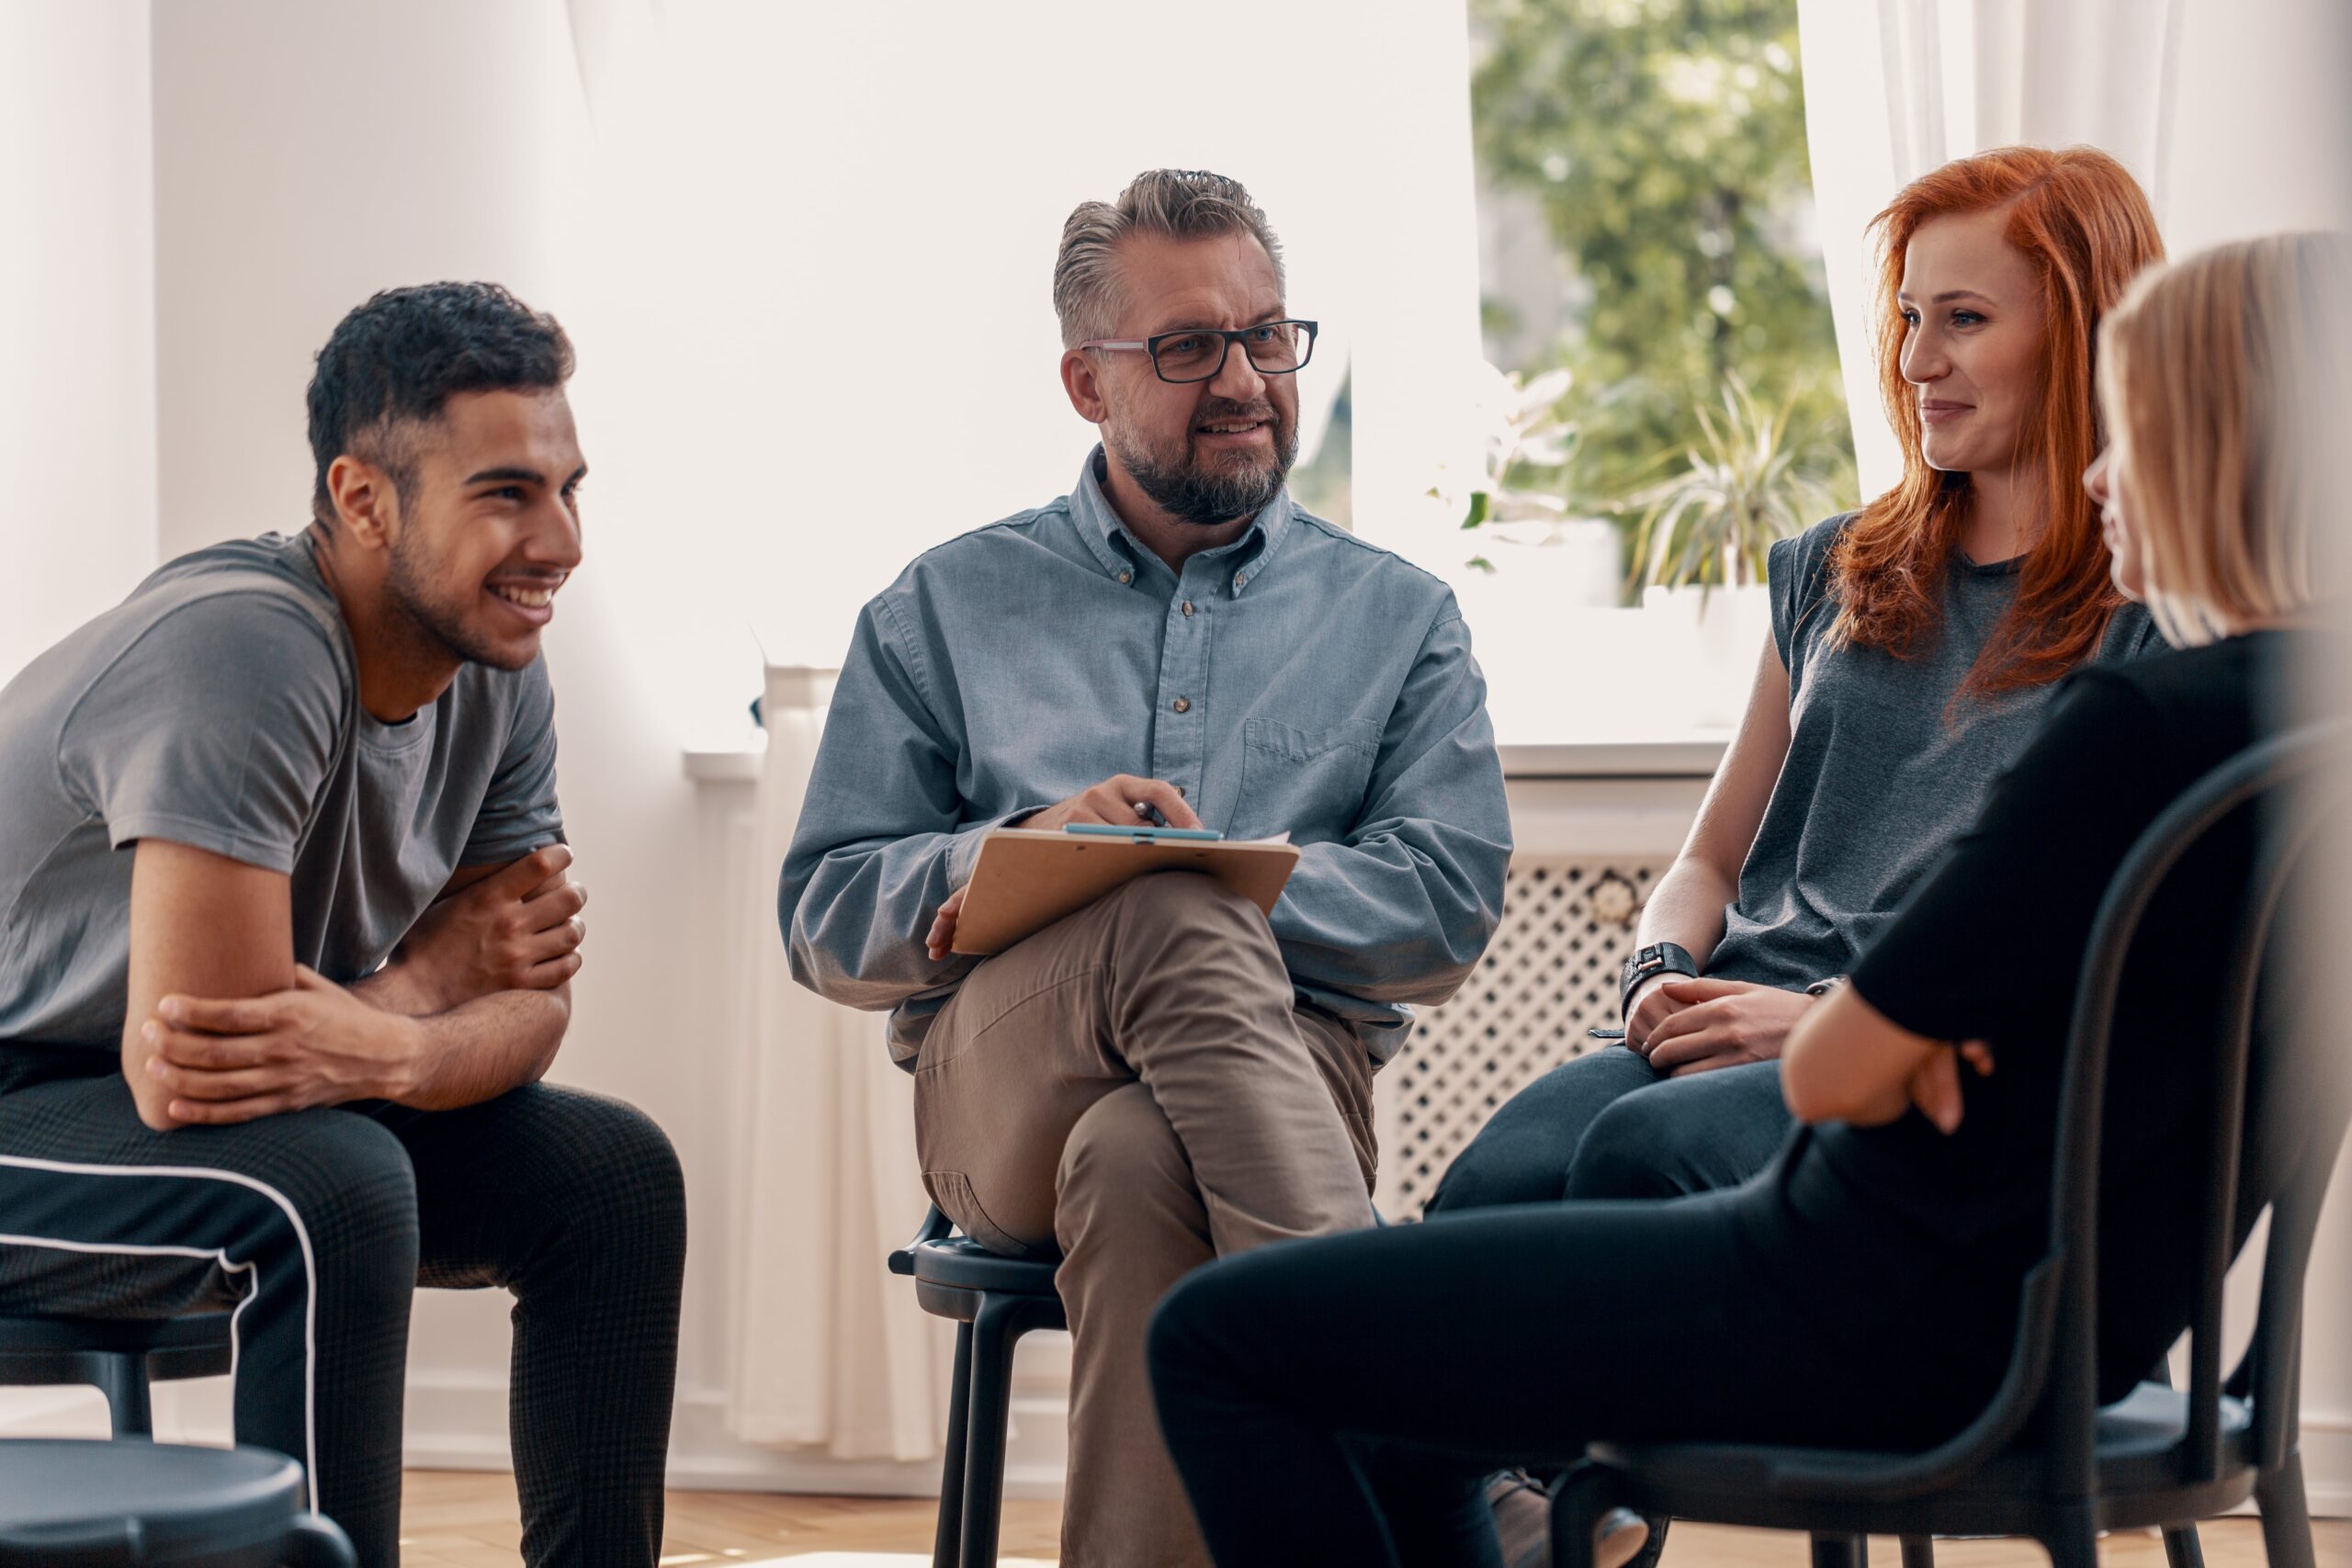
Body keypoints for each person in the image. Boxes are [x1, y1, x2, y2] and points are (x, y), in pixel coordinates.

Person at [1146, 228, 2346, 1568]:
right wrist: (1940, 1036)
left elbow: (1833, 1070)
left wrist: (1889, 1038)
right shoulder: (2301, 733)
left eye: (2139, 431)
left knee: (1216, 1337)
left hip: (1857, 1296)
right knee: (1412, 1392)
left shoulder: (2138, 724)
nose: (2105, 472)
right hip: (2052, 1318)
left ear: (2234, 450)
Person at [778, 168, 1511, 1568]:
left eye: (1270, 335)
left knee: (1139, 1149)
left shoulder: (1400, 618)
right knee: (1163, 911)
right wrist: (1035, 855)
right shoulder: (941, 606)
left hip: (1293, 1084)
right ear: (1085, 380)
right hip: (1002, 1086)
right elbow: (822, 914)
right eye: (1188, 347)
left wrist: (1208, 878)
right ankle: (1427, 1451)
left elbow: (1444, 903)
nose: (1244, 379)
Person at [0, 283, 684, 1568]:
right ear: (364, 499)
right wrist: (429, 980)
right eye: (505, 494)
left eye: (568, 488)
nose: (561, 541)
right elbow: (206, 1071)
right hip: (28, 1099)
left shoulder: (497, 664)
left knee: (614, 1176)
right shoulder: (246, 647)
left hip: (153, 1100)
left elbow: (532, 1000)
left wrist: (402, 1047)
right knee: (331, 1183)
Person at [1430, 148, 2170, 1259]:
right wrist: (1656, 973)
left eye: (1963, 319)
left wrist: (1835, 1027)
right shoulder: (1837, 567)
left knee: (1640, 1167)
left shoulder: (2151, 613)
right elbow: (1709, 863)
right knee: (1494, 1187)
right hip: (1715, 1016)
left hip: (1906, 1059)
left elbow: (2098, 955)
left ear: (2083, 332)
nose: (1918, 360)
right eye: (1911, 316)